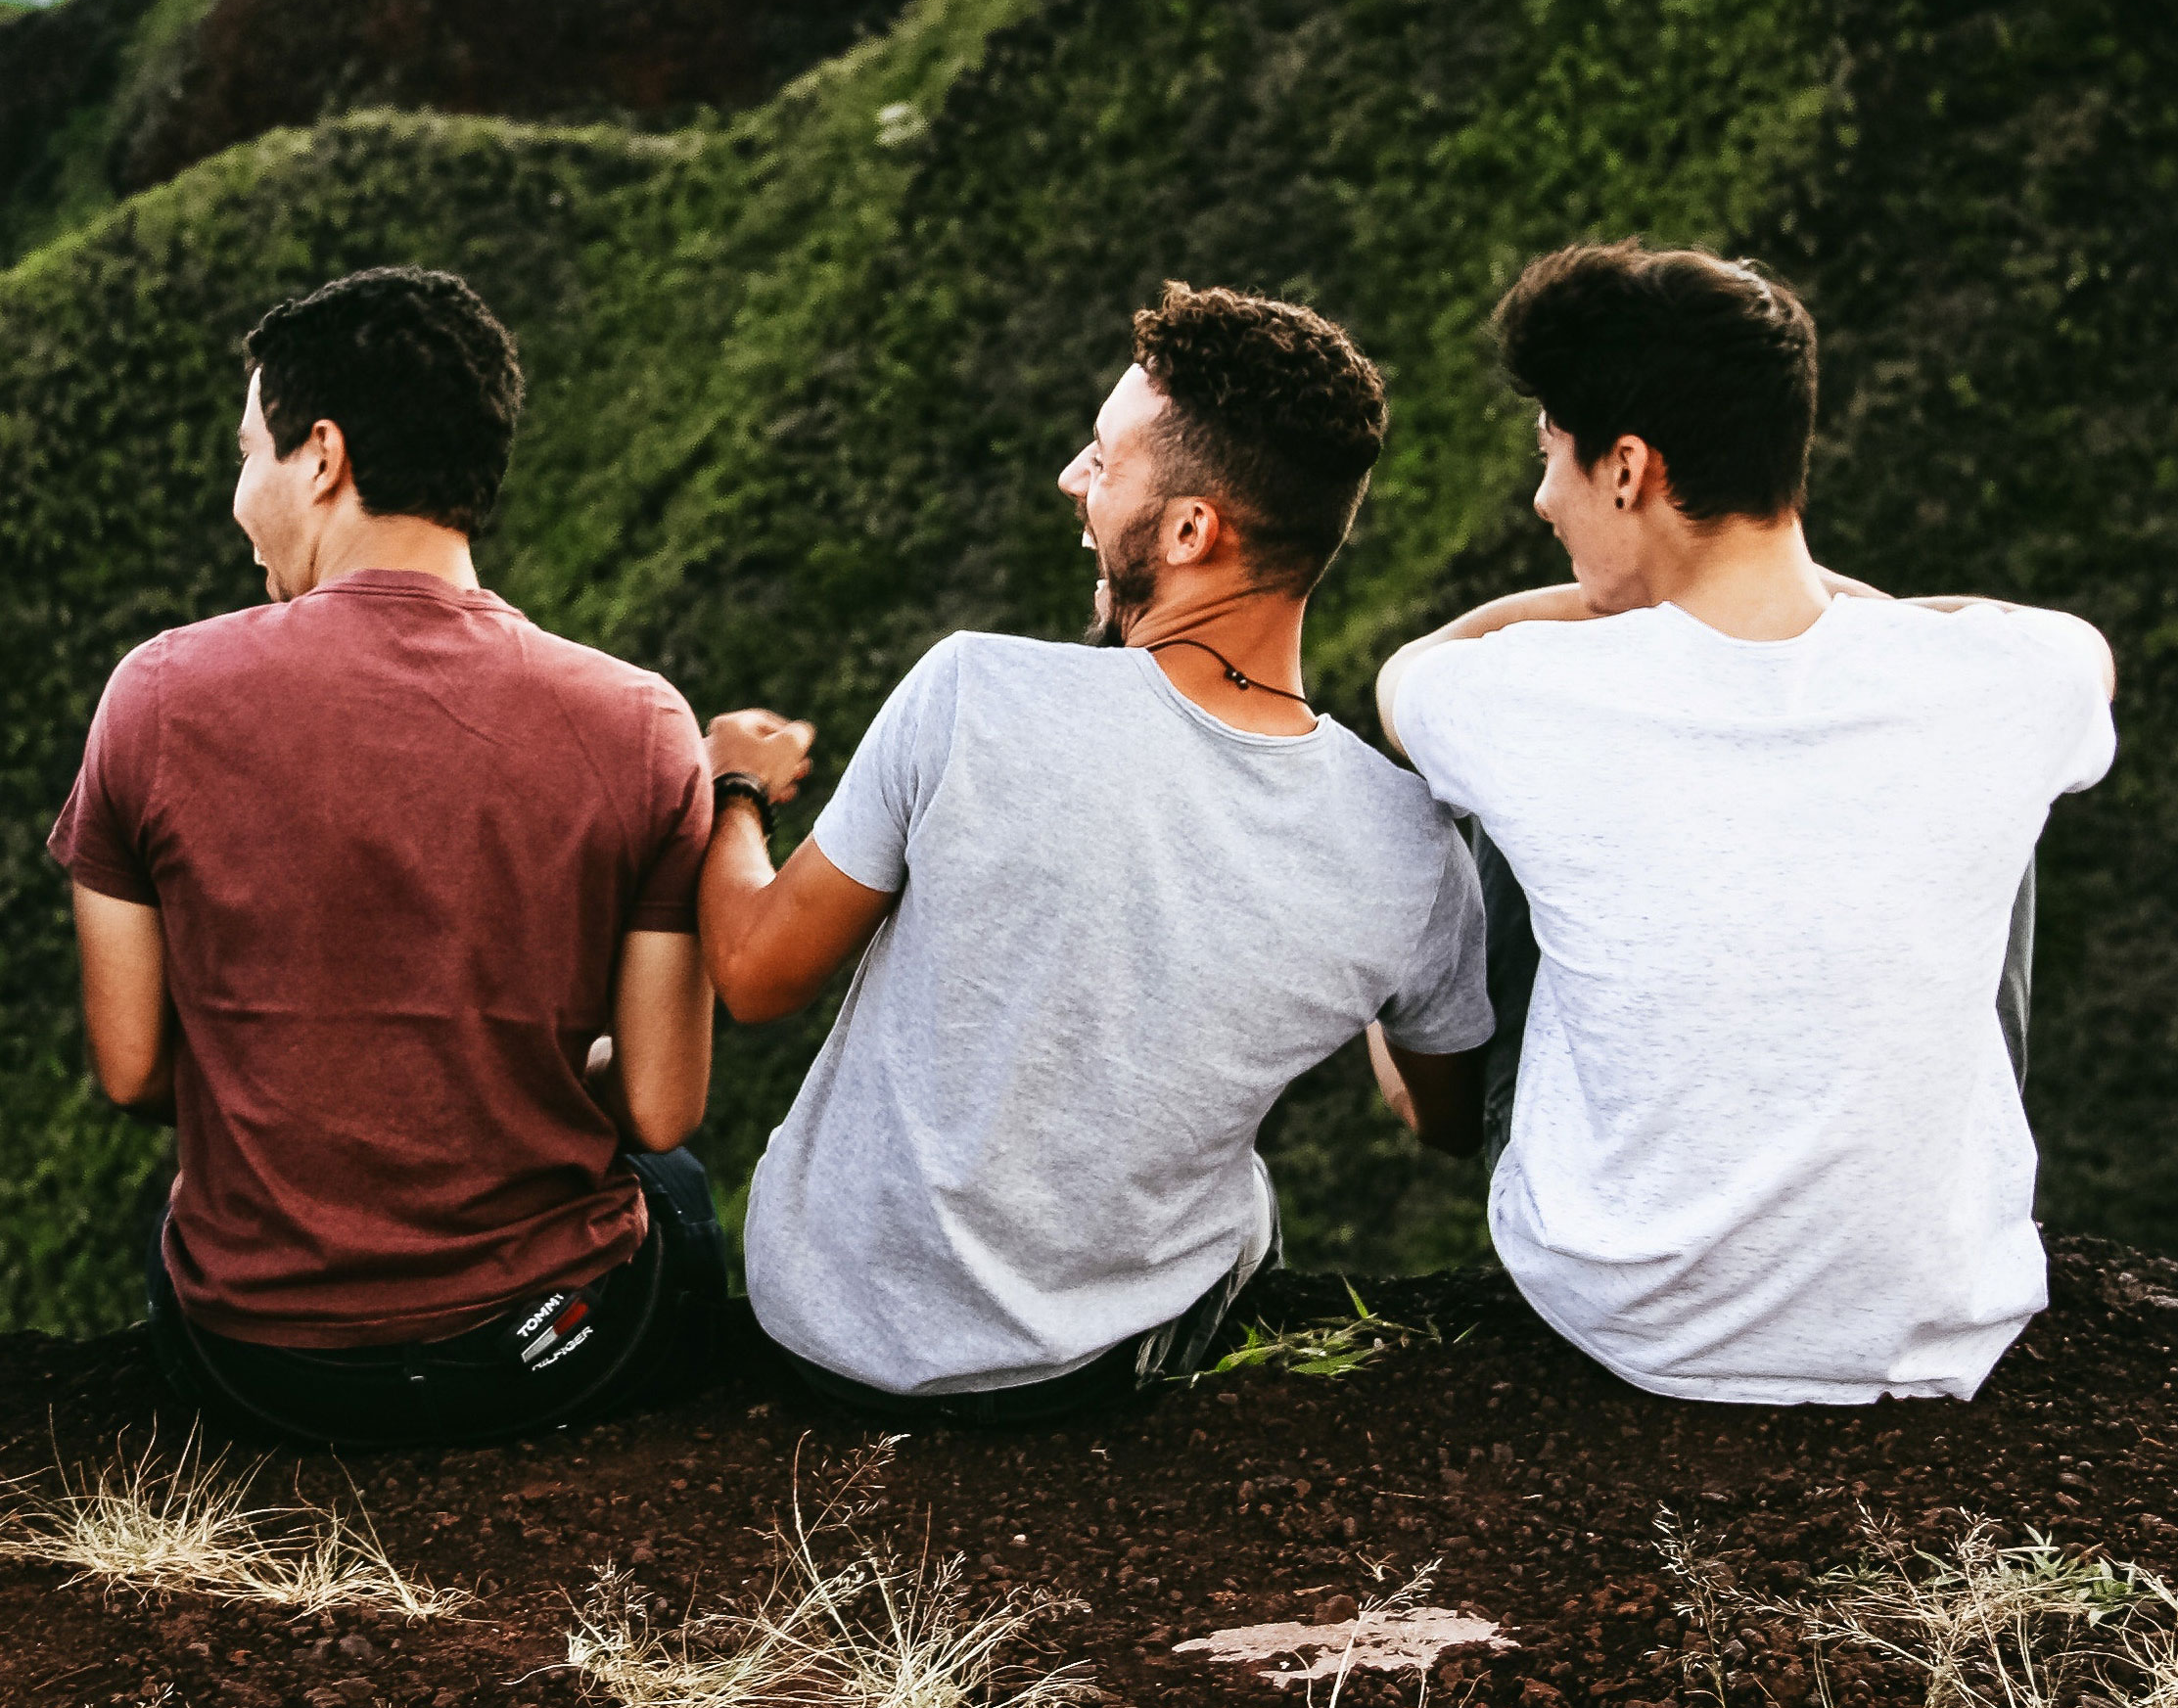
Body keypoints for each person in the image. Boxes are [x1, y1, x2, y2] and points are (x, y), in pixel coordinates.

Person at [698, 282, 1495, 1426]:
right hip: (1083, 1373)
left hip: (820, 1329)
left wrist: (734, 789)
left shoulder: (971, 689)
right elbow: (1441, 1118)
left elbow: (755, 973)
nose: (1073, 478)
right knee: (1245, 1198)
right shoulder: (1410, 847)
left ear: (1187, 531)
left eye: (1102, 459)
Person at [1376, 240, 2116, 1407]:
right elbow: (2070, 647)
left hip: (1624, 1307)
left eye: (1550, 459)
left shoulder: (1521, 693)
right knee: (1989, 792)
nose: (1539, 500)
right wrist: (1846, 612)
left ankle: (1452, 1120)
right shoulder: (2009, 681)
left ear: (1626, 468)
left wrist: (1599, 605)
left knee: (1492, 806)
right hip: (1930, 1314)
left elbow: (1410, 676)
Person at [49, 265, 775, 1448]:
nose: (241, 496)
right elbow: (658, 1104)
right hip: (540, 1352)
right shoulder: (641, 724)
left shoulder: (157, 695)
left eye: (250, 454)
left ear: (322, 454)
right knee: (679, 1195)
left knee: (179, 1236)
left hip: (259, 1365)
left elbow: (133, 1072)